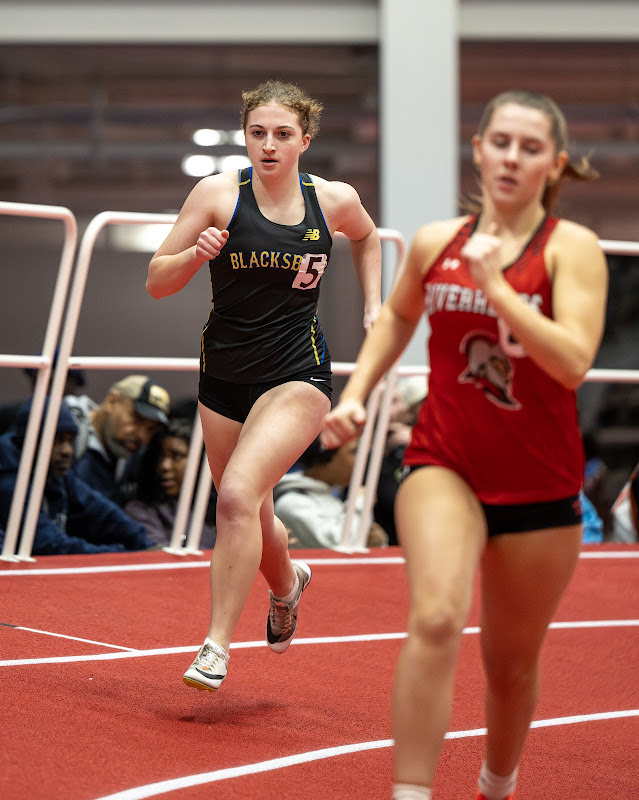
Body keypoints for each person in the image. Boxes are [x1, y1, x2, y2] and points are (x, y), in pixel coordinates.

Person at [321, 90, 608, 800]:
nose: (512, 157)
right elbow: (394, 318)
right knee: (437, 614)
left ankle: (496, 784)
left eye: (529, 147)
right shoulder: (433, 242)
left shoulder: (570, 249)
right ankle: (410, 790)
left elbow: (572, 360)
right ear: (477, 149)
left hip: (539, 485)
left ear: (555, 164)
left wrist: (496, 286)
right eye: (500, 142)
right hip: (442, 461)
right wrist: (355, 395)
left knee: (509, 666)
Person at [146, 79, 381, 692]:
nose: (268, 146)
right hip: (223, 374)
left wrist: (373, 305)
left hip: (295, 373)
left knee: (234, 498)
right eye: (257, 133)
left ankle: (216, 646)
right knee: (253, 511)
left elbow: (368, 237)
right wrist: (196, 254)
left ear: (304, 140)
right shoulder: (217, 195)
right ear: (245, 136)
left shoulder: (331, 200)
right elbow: (156, 281)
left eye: (282, 135)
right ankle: (287, 585)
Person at [0, 398, 155, 555]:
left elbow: (102, 513)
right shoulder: (10, 483)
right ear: (30, 441)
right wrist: (121, 554)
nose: (67, 451)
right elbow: (47, 545)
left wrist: (146, 544)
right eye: (57, 440)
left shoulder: (57, 474)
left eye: (70, 440)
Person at [64, 374, 170, 507]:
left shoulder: (130, 458)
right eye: (136, 419)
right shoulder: (66, 430)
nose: (142, 436)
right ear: (111, 401)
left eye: (151, 429)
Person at [273, 435, 388, 549]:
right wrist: (359, 502)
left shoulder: (329, 496)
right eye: (353, 452)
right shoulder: (292, 503)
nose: (361, 460)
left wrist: (373, 539)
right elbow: (341, 545)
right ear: (323, 459)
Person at [124, 417, 217, 549]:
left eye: (177, 456)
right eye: (160, 457)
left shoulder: (216, 512)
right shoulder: (141, 513)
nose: (165, 466)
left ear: (200, 462)